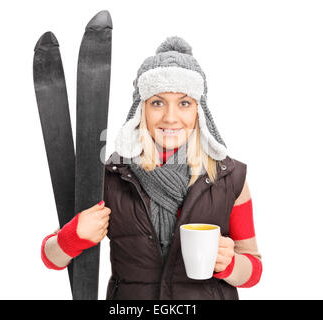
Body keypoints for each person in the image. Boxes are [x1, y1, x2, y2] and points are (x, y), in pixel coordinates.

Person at [41, 36, 262, 300]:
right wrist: (74, 236)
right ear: (141, 110)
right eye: (157, 103)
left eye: (184, 103)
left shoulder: (229, 177)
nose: (170, 117)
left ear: (199, 111)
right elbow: (51, 257)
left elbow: (254, 269)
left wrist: (232, 264)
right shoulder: (111, 177)